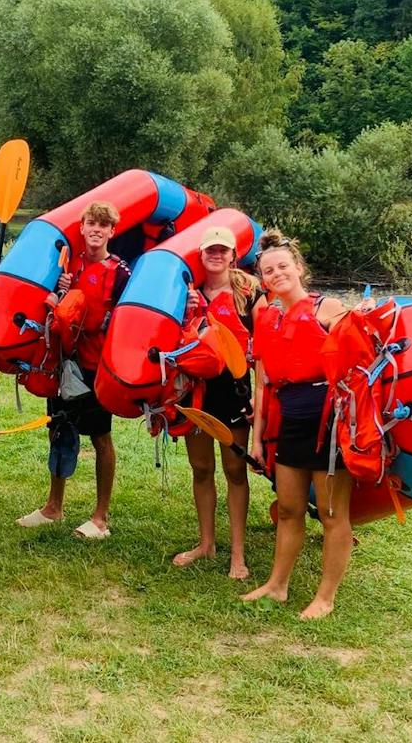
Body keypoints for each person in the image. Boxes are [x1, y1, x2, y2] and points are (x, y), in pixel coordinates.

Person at [242, 230, 357, 619]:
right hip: (289, 419)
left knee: (330, 514)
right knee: (289, 508)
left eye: (282, 267)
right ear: (262, 278)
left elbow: (359, 368)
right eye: (268, 270)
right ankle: (277, 585)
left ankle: (325, 597)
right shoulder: (267, 317)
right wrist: (257, 440)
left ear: (298, 268)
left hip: (330, 422)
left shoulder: (330, 309)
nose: (277, 274)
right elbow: (262, 382)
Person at [17, 201, 131, 538]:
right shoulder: (70, 266)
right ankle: (54, 506)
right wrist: (60, 291)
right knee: (59, 430)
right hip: (64, 362)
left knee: (100, 438)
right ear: (82, 229)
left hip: (96, 368)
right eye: (91, 224)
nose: (96, 230)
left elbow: (125, 320)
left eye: (103, 225)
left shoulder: (120, 272)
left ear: (112, 231)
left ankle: (100, 518)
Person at [173, 227, 265, 579]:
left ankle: (238, 555)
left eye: (222, 250)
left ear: (232, 255)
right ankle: (206, 543)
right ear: (201, 253)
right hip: (196, 391)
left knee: (234, 471)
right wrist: (186, 312)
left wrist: (260, 393)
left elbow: (264, 352)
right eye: (210, 249)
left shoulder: (249, 291)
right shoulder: (187, 291)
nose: (216, 254)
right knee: (201, 469)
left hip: (234, 393)